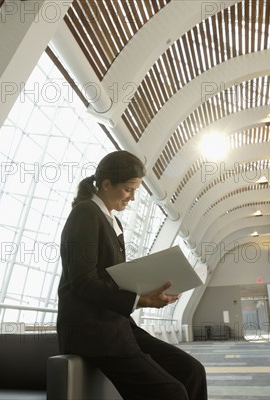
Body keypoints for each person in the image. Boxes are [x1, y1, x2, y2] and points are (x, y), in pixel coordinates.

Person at [57, 150, 208, 400]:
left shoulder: (109, 220)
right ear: (106, 184)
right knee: (171, 393)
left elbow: (110, 278)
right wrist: (141, 300)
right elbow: (83, 282)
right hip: (92, 332)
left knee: (192, 370)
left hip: (116, 325)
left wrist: (146, 288)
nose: (132, 198)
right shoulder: (85, 214)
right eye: (128, 189)